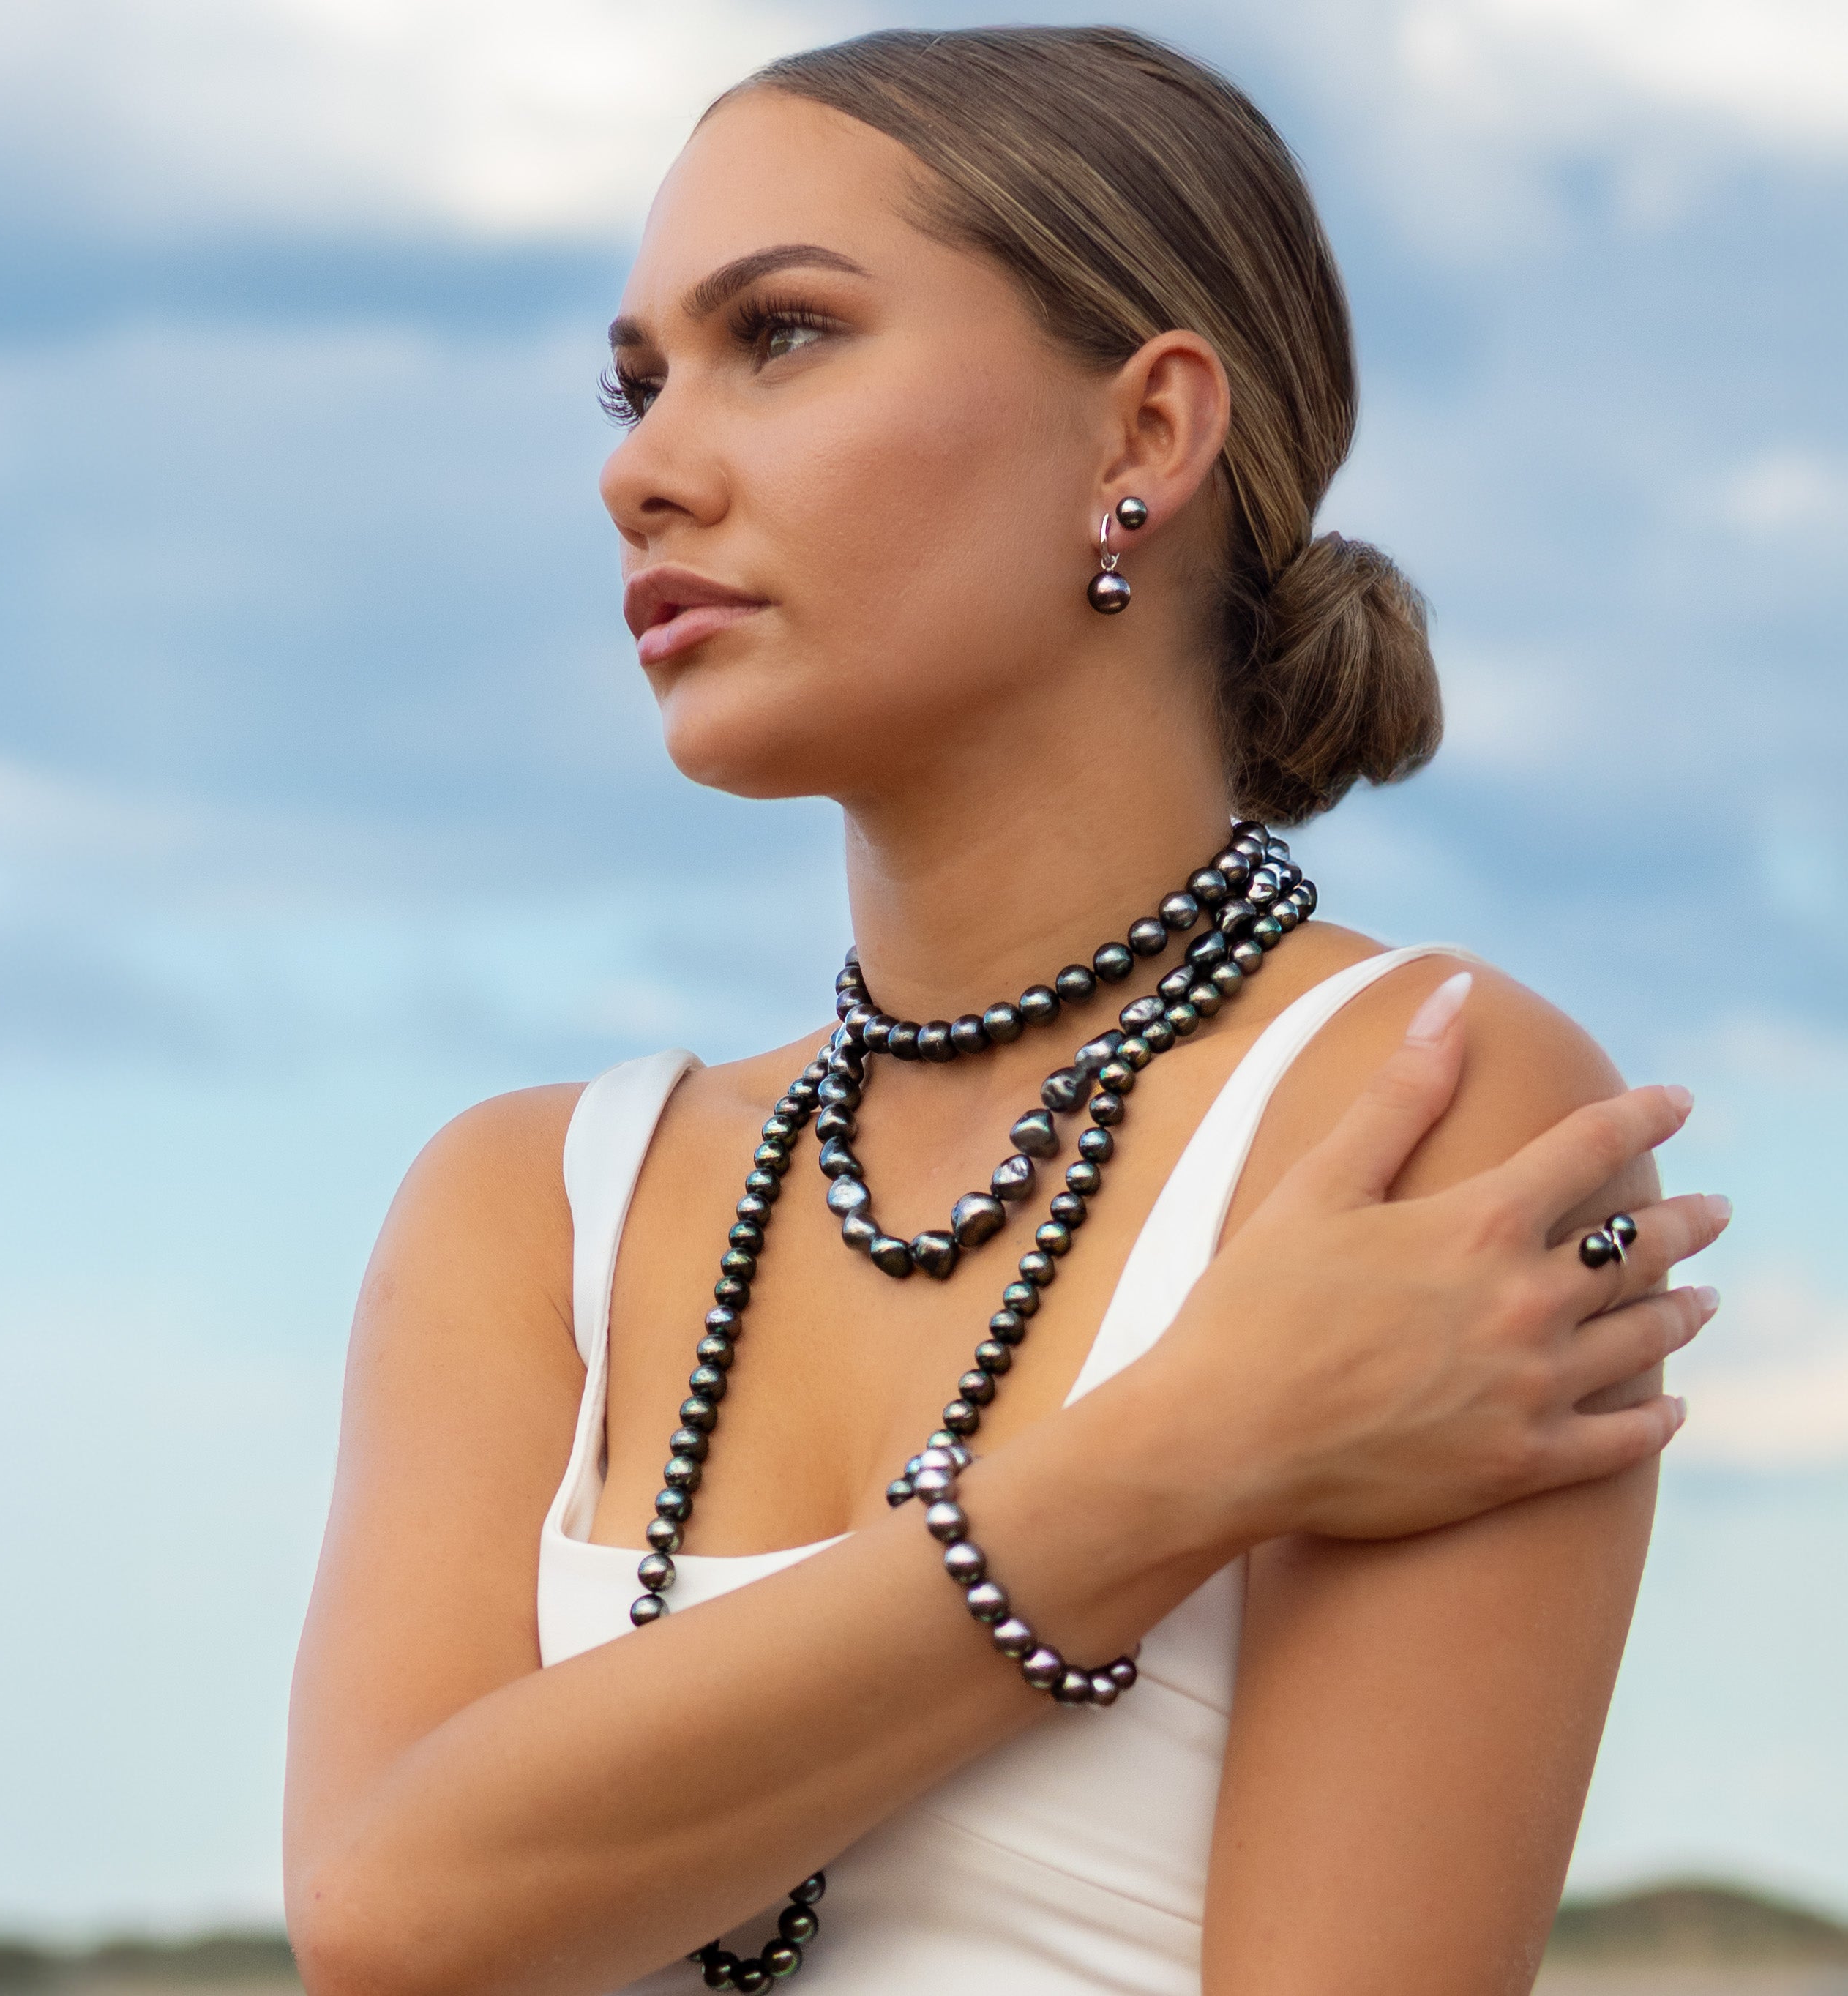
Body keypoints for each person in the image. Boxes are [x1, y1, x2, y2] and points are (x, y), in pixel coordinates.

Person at [283, 26, 1728, 1996]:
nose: (641, 465)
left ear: (1144, 437)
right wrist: (1181, 1459)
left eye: (780, 336)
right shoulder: (530, 1209)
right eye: (633, 383)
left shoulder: (1424, 1111)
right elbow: (389, 1919)